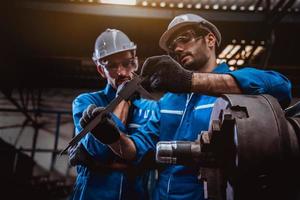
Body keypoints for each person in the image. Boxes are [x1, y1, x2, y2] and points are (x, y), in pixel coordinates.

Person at [89, 14, 292, 200]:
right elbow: (137, 149)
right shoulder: (167, 102)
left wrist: (190, 81)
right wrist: (113, 138)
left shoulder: (236, 86)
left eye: (185, 38)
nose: (177, 49)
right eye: (172, 46)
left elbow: (281, 87)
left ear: (210, 40)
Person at [69, 28, 158, 200]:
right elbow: (99, 152)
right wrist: (122, 98)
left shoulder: (151, 109)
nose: (122, 72)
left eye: (127, 63)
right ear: (101, 70)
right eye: (111, 66)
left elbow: (145, 158)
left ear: (136, 62)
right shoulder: (85, 103)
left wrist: (102, 163)